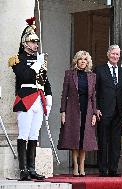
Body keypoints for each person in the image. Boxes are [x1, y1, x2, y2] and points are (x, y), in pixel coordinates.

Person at [8, 17, 52, 181]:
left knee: (34, 135)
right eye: (32, 42)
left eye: (36, 42)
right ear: (25, 43)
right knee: (24, 134)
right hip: (25, 98)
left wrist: (49, 97)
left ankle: (32, 168)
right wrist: (36, 65)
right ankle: (22, 169)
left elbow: (45, 81)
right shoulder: (17, 59)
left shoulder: (40, 60)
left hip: (39, 100)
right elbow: (24, 76)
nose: (35, 45)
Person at [58, 50, 97, 176]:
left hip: (88, 109)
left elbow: (93, 97)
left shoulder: (92, 76)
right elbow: (64, 94)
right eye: (81, 59)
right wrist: (63, 111)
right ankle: (75, 166)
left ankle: (82, 166)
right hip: (72, 110)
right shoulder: (69, 74)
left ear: (88, 62)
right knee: (75, 137)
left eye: (85, 60)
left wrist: (95, 113)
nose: (83, 62)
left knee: (84, 139)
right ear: (77, 60)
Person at [95, 45, 122, 177]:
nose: (115, 56)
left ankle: (113, 169)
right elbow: (94, 91)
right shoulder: (99, 70)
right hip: (103, 110)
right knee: (103, 140)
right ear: (108, 54)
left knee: (115, 142)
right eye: (113, 54)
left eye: (117, 54)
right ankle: (103, 169)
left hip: (118, 111)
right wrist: (96, 108)